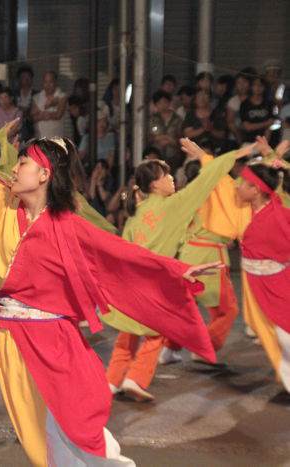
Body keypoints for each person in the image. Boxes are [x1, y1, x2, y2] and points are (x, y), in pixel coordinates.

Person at [0, 70, 220, 466]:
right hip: (10, 339)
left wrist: (174, 272)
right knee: (41, 437)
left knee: (64, 431)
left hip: (53, 341)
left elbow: (121, 257)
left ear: (44, 175)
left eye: (24, 161)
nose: (15, 167)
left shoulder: (67, 225)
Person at [106, 139, 256, 401]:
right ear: (154, 184)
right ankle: (135, 378)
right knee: (157, 331)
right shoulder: (174, 206)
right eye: (166, 176)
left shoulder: (135, 215)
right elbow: (207, 179)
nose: (172, 180)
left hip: (132, 285)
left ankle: (111, 380)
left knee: (128, 333)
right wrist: (227, 154)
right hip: (157, 283)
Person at [236, 161, 290, 394]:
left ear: (256, 189)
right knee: (279, 337)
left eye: (242, 184)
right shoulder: (260, 209)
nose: (237, 188)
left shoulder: (276, 217)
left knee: (285, 336)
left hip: (278, 283)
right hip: (260, 283)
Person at [149, 90, 183, 163]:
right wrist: (163, 138)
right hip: (157, 155)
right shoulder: (152, 119)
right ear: (155, 105)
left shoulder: (177, 119)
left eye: (165, 102)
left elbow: (181, 137)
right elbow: (149, 136)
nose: (162, 105)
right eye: (159, 103)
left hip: (174, 156)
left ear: (169, 103)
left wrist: (172, 141)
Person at [31, 71, 67, 139]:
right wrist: (50, 114)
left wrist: (41, 114)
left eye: (51, 82)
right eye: (45, 82)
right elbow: (33, 117)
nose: (48, 85)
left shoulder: (62, 96)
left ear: (56, 82)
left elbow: (58, 115)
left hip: (56, 140)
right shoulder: (36, 97)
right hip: (40, 139)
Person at [239, 77, 274, 144]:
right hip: (248, 141)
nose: (258, 87)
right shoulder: (245, 104)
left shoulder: (269, 104)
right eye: (255, 85)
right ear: (251, 87)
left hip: (265, 142)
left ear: (264, 87)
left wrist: (264, 144)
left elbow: (270, 126)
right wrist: (265, 123)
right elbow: (247, 127)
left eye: (260, 85)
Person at [226, 73, 251, 144]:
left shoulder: (254, 99)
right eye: (239, 83)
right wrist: (239, 138)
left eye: (244, 82)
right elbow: (230, 122)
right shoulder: (233, 101)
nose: (242, 85)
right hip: (235, 139)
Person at [14, 65, 36, 141]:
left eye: (28, 77)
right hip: (16, 128)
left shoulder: (36, 94)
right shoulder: (14, 94)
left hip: (32, 128)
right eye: (23, 77)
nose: (26, 80)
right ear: (19, 79)